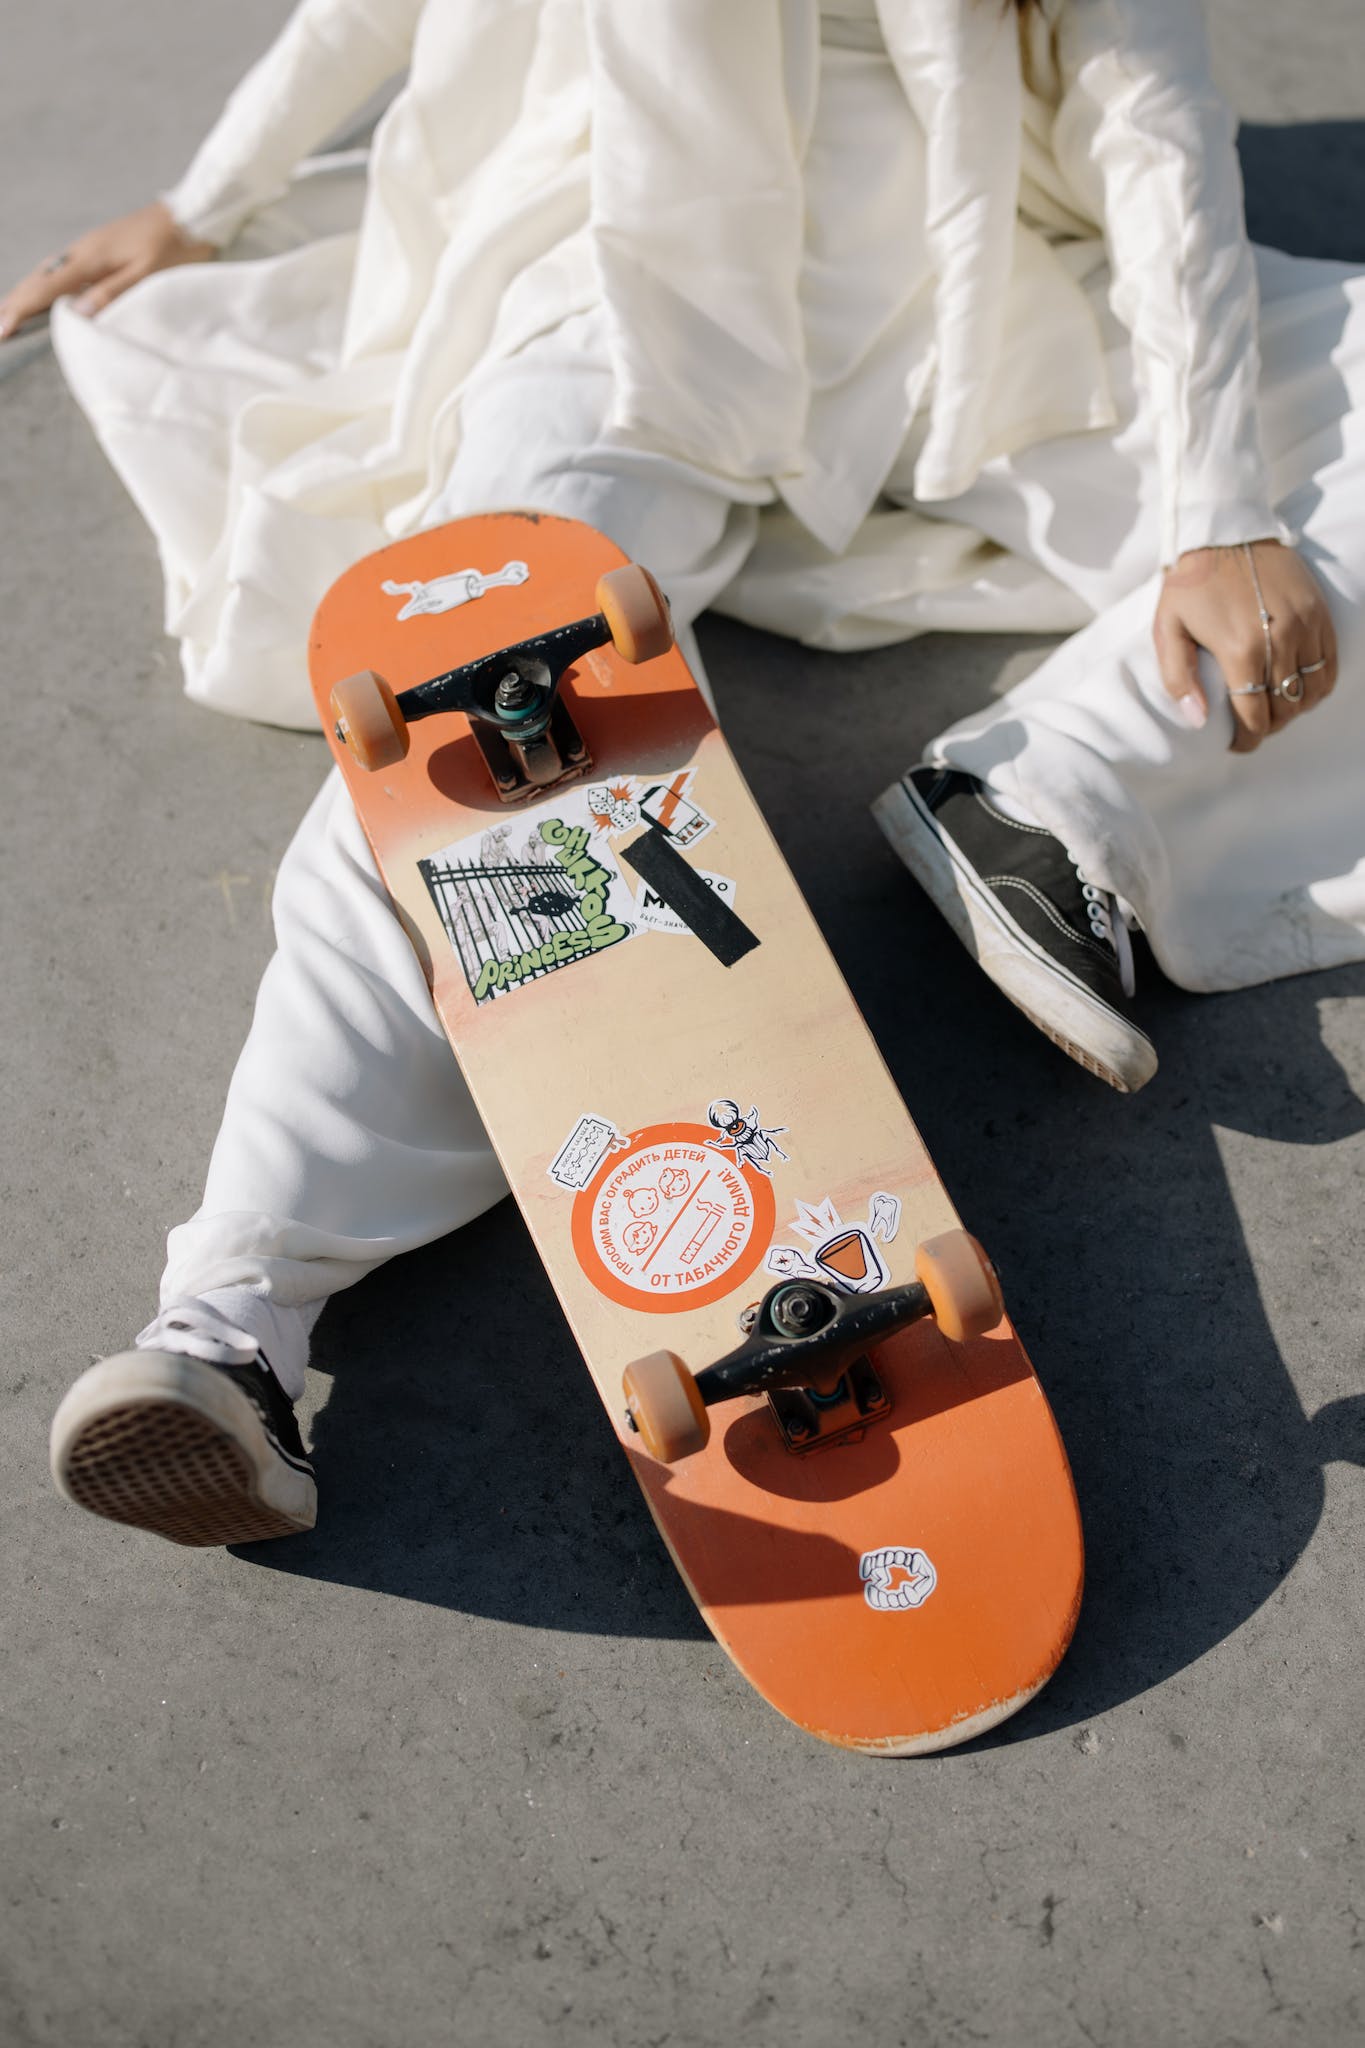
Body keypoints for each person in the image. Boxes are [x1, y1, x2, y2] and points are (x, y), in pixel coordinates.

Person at [9, 0, 1360, 1546]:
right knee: (485, 722)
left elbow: (1146, 110)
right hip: (622, 293)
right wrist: (201, 202)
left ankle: (1051, 808)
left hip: (961, 306)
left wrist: (1216, 517)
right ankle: (229, 1330)